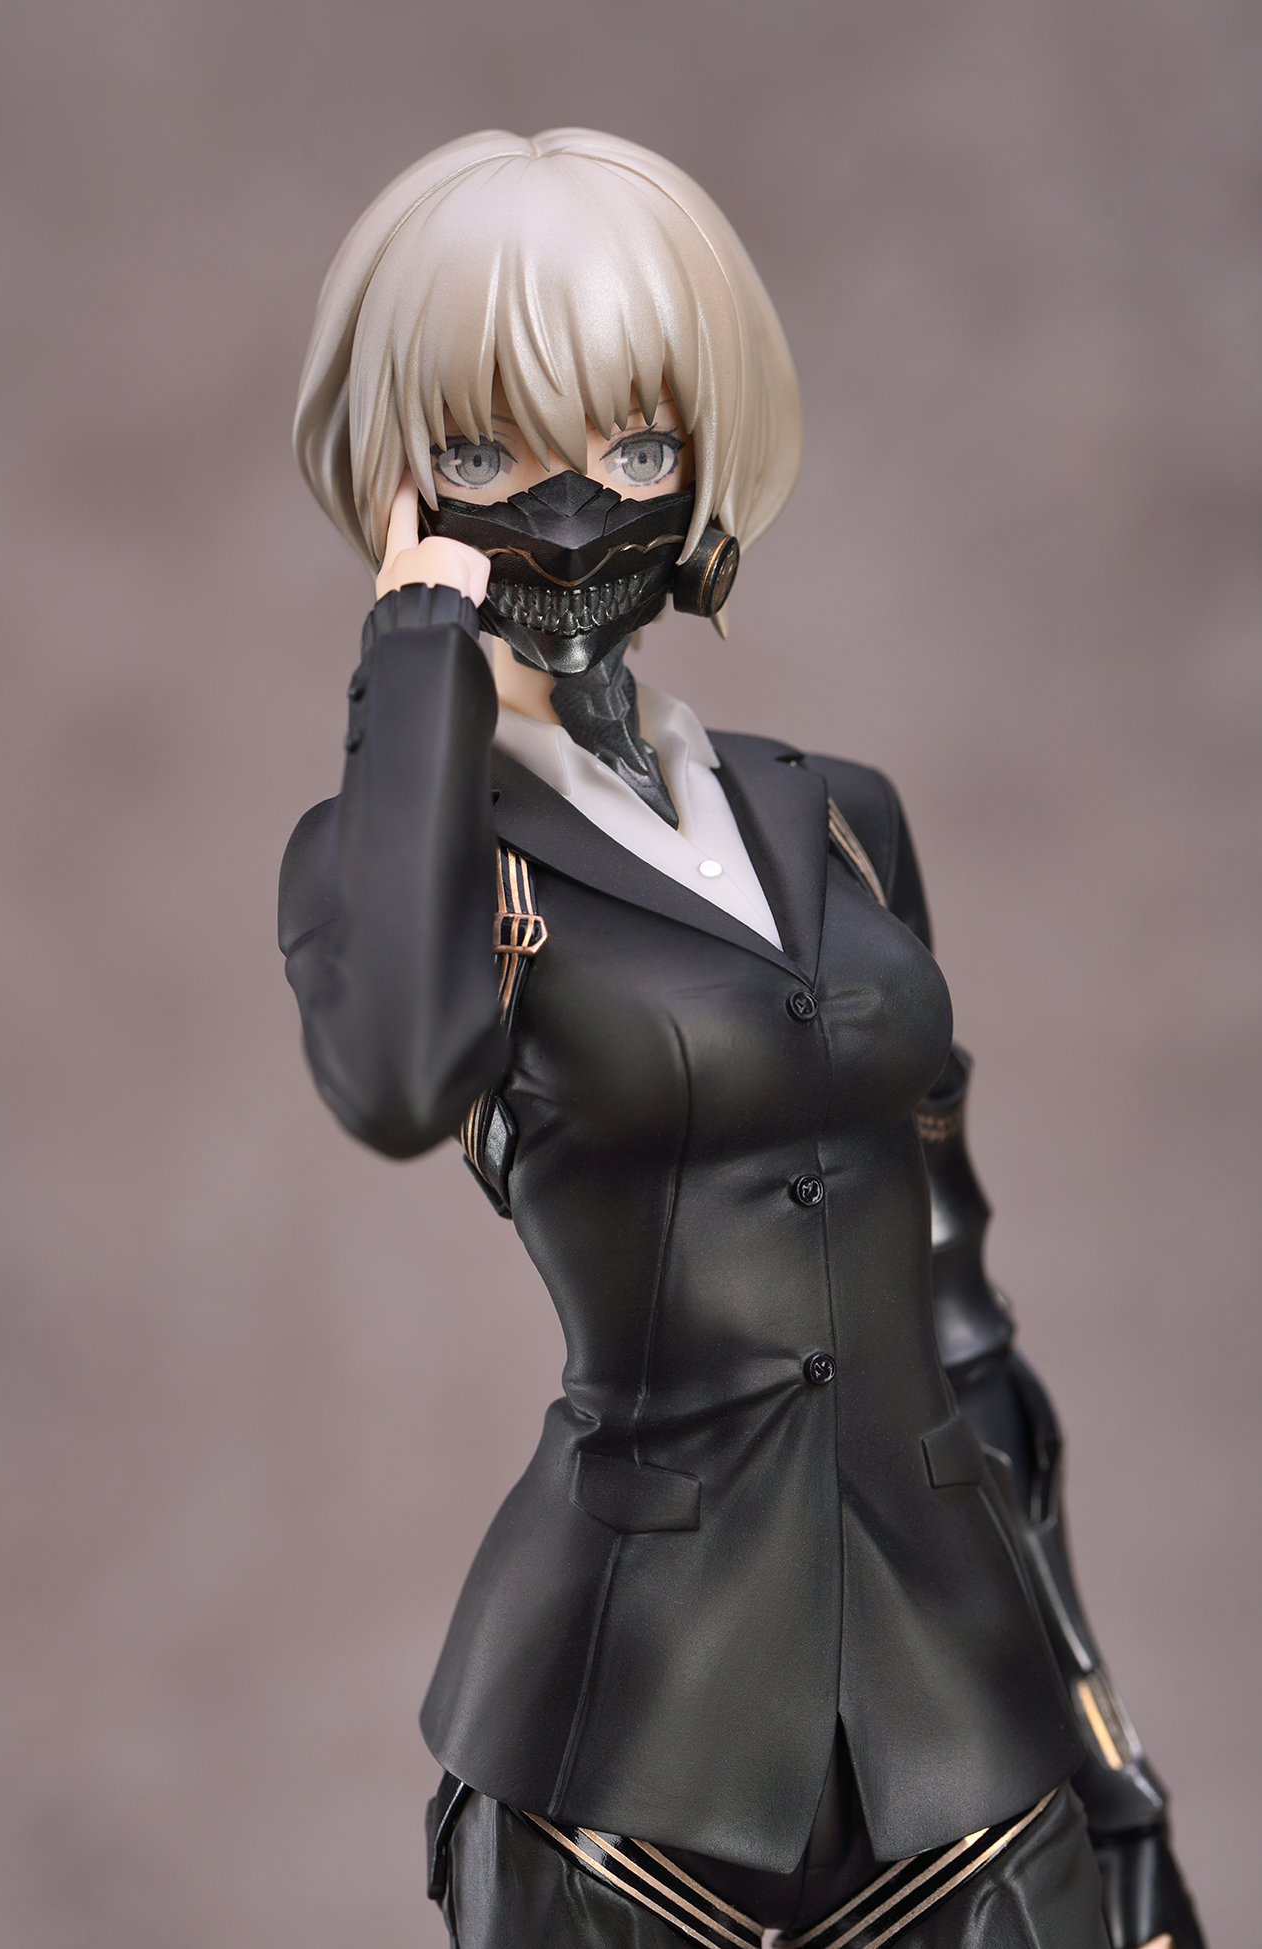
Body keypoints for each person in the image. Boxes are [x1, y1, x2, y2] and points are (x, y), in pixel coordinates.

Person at [282, 129, 1203, 1949]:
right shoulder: (397, 856)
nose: (567, 513)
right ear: (399, 474)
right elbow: (395, 1075)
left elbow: (960, 1318)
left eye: (632, 447)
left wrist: (1110, 1762)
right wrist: (413, 658)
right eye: (485, 452)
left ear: (707, 455)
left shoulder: (839, 817)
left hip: (967, 1726)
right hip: (621, 1754)